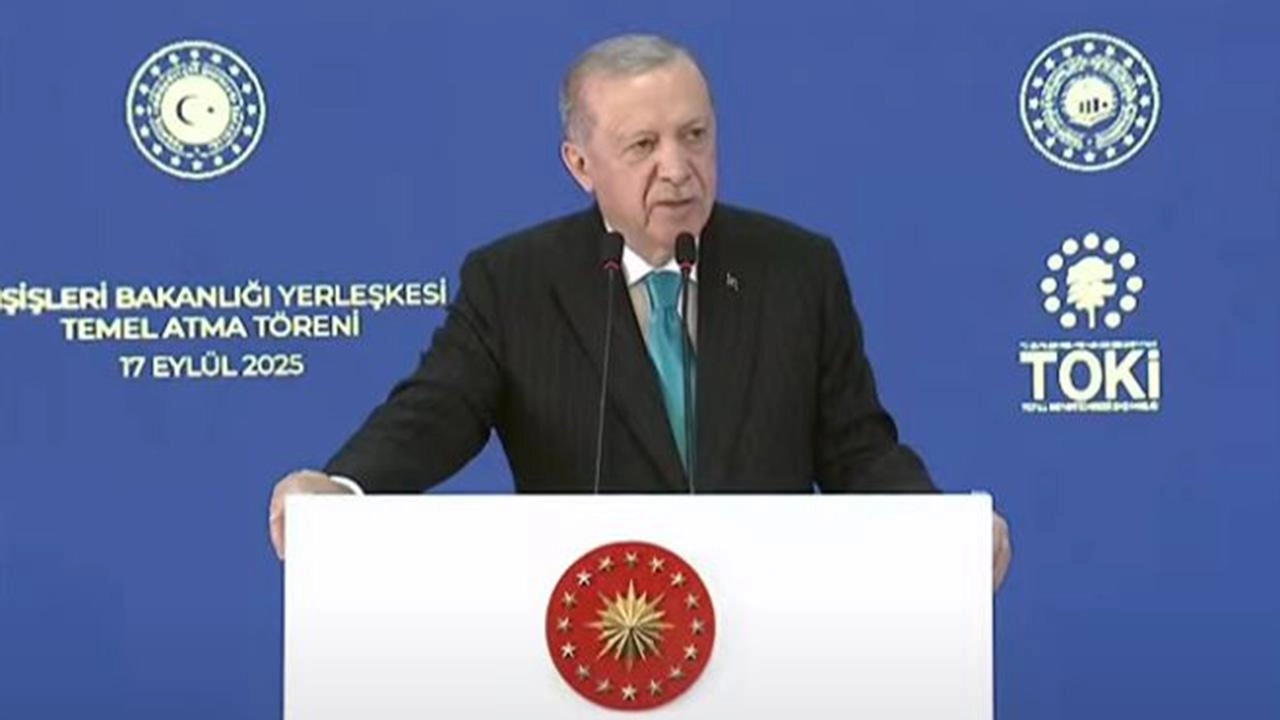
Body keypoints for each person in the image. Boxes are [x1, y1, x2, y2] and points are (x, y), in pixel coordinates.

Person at [267, 33, 1012, 590]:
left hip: (769, 628)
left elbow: (857, 449)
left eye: (695, 136)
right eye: (643, 145)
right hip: (589, 635)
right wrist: (342, 489)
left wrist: (940, 531)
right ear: (580, 165)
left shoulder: (796, 269)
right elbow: (435, 413)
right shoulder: (515, 282)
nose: (678, 169)